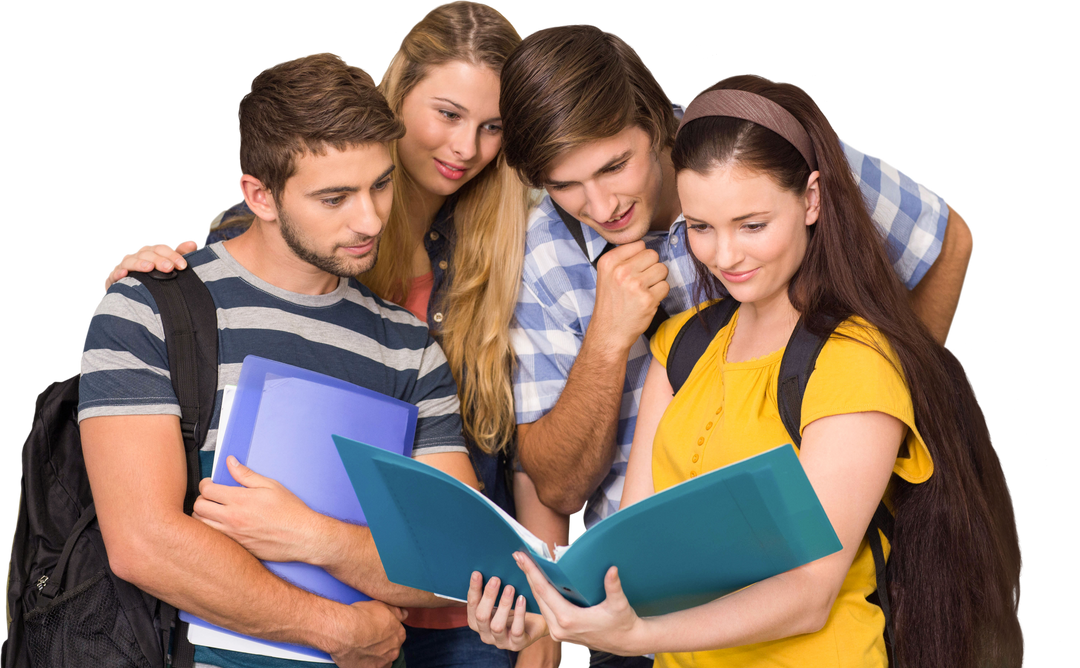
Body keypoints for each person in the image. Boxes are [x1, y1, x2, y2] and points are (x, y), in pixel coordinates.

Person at [467, 72, 1026, 668]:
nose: (725, 255)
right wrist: (540, 615)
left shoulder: (857, 361)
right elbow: (629, 554)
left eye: (752, 225)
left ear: (812, 200)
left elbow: (808, 596)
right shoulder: (680, 346)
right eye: (702, 228)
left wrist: (633, 636)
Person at [98, 3, 567, 666]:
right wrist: (329, 625)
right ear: (259, 197)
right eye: (336, 198)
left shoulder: (416, 336)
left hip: (442, 625)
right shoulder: (164, 305)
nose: (370, 219)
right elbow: (144, 539)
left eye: (381, 187)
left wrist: (312, 537)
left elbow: (455, 551)